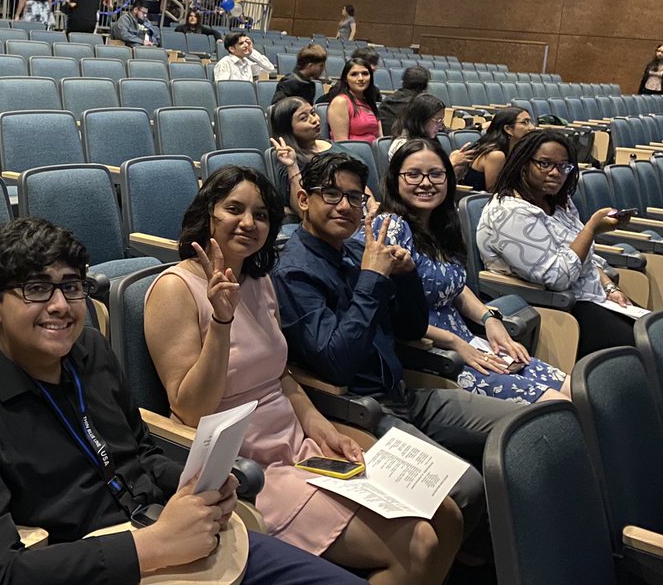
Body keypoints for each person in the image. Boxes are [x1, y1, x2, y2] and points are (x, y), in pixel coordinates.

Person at [0, 216, 365, 585]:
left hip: (168, 529)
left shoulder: (90, 351)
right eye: (36, 289)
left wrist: (196, 488)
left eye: (71, 287)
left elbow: (140, 451)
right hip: (97, 565)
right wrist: (150, 547)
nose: (60, 305)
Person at [144, 167, 462, 582]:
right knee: (418, 543)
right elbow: (189, 410)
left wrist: (321, 427)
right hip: (247, 467)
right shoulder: (174, 288)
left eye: (261, 215)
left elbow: (281, 376)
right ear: (208, 215)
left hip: (298, 446)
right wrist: (221, 323)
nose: (248, 223)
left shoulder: (258, 281)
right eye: (234, 209)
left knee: (448, 514)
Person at [272, 152, 517, 536]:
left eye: (355, 198)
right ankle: (461, 557)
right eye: (331, 195)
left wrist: (405, 277)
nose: (345, 206)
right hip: (360, 410)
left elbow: (412, 328)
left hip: (405, 392)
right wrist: (372, 278)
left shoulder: (357, 252)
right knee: (468, 487)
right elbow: (337, 362)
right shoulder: (294, 272)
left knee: (521, 425)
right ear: (304, 200)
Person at [375, 139, 568, 403]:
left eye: (436, 174)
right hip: (432, 354)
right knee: (556, 404)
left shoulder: (442, 226)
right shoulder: (391, 228)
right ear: (395, 180)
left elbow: (454, 288)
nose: (426, 183)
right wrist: (457, 344)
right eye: (413, 175)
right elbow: (390, 313)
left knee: (572, 388)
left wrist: (490, 319)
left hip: (468, 343)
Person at [476, 130, 637, 359]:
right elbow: (558, 278)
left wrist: (610, 287)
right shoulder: (509, 213)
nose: (556, 173)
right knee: (643, 351)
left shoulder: (559, 203)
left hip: (594, 296)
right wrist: (590, 229)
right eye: (545, 164)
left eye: (564, 166)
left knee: (656, 332)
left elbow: (586, 259)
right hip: (559, 308)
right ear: (523, 165)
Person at [269, 96, 345, 216]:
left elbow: (353, 179)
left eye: (313, 113)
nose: (315, 120)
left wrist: (371, 205)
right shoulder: (287, 160)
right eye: (304, 118)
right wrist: (292, 166)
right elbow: (303, 212)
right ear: (288, 129)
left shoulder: (331, 145)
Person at [388, 93, 475, 178]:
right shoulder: (402, 144)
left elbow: (439, 180)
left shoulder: (429, 141)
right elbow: (420, 179)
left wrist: (457, 169)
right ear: (421, 120)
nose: (441, 126)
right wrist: (452, 163)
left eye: (442, 120)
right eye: (437, 120)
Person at [460, 107, 534, 191]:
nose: (532, 127)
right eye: (525, 122)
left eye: (530, 122)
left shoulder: (517, 150)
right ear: (508, 129)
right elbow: (494, 192)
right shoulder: (496, 155)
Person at [325, 58, 382, 142]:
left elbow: (379, 138)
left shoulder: (369, 102)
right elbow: (342, 143)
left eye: (365, 74)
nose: (361, 78)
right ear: (345, 79)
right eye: (354, 74)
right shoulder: (340, 102)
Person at [377, 66, 430, 133]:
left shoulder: (386, 101)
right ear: (426, 88)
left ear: (402, 82)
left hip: (387, 142)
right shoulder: (424, 105)